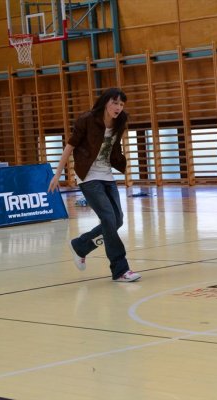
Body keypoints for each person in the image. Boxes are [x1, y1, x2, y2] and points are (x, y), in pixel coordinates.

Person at [48, 88, 141, 282]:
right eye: (115, 103)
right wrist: (57, 174)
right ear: (106, 102)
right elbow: (70, 146)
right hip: (88, 175)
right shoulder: (87, 119)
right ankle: (120, 269)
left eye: (121, 104)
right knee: (108, 217)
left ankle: (80, 246)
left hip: (106, 174)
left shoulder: (120, 121)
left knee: (117, 220)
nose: (118, 107)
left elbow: (114, 147)